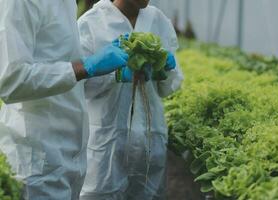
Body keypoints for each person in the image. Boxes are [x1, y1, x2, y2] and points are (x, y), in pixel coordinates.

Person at [0, 0, 128, 199]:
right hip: (37, 158)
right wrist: (84, 67)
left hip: (70, 156)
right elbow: (10, 80)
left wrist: (114, 74)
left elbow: (65, 74)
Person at [77, 0, 183, 199]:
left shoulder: (158, 20)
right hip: (108, 143)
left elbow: (168, 88)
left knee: (148, 193)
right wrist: (114, 75)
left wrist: (166, 69)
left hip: (149, 140)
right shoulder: (91, 23)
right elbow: (81, 88)